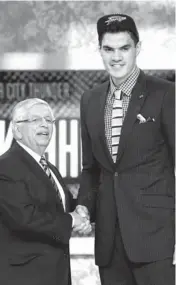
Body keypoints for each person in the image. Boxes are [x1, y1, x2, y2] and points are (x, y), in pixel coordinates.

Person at [76, 13, 175, 285]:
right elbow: (90, 169)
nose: (116, 57)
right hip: (109, 243)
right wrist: (83, 207)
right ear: (99, 50)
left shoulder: (166, 94)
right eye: (108, 49)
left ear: (138, 49)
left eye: (124, 48)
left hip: (155, 240)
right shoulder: (90, 100)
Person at [0, 98, 91, 285]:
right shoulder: (6, 166)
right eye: (35, 120)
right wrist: (74, 220)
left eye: (49, 120)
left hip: (55, 275)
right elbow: (25, 218)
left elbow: (62, 207)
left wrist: (84, 209)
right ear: (17, 130)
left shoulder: (49, 168)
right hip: (24, 277)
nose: (44, 125)